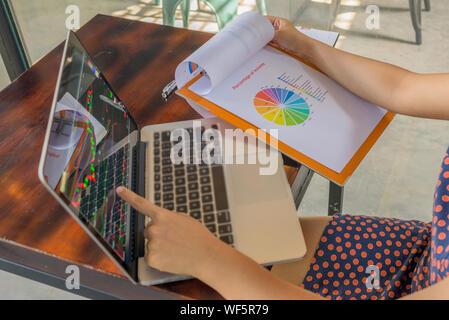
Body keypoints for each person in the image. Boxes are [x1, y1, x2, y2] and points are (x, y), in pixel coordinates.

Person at [116, 16, 449, 300]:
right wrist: (304, 46)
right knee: (248, 228)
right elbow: (402, 88)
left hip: (417, 282)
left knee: (209, 275)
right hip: (425, 255)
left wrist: (209, 259)